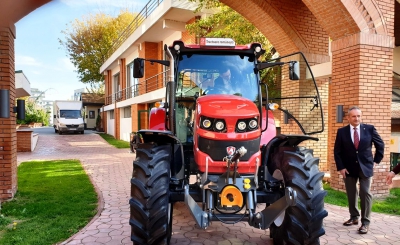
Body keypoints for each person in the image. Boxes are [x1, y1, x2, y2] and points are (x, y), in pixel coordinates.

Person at [334, 106, 384, 234]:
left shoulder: (370, 129)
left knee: (365, 193)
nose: (357, 118)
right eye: (354, 116)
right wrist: (341, 167)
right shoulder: (342, 131)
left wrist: (376, 161)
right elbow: (337, 151)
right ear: (348, 118)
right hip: (349, 168)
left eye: (359, 116)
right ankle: (354, 217)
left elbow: (380, 145)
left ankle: (365, 222)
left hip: (366, 167)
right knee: (351, 193)